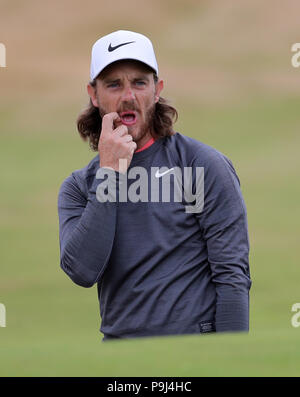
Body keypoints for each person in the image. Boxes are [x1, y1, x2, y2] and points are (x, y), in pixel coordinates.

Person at [57, 30, 252, 341]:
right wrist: (109, 173)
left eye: (139, 82)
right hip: (120, 360)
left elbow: (232, 277)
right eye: (113, 84)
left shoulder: (200, 165)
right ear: (93, 95)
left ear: (157, 89)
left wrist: (232, 362)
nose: (128, 96)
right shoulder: (79, 187)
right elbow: (82, 270)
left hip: (194, 355)